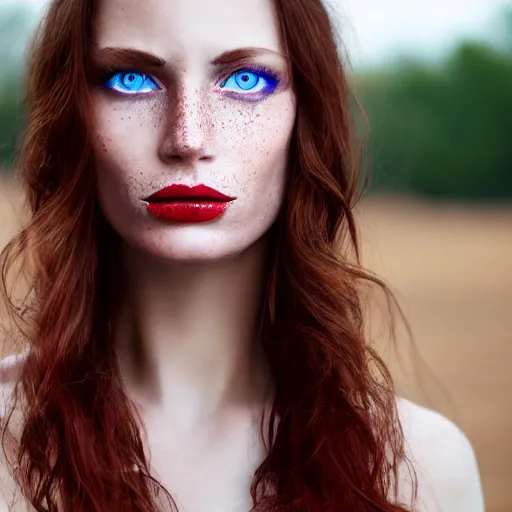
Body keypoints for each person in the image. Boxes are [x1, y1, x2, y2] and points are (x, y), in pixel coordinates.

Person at [0, 0, 484, 510]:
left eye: (247, 81)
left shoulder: (426, 467)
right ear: (72, 118)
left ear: (307, 116)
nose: (188, 139)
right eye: (132, 81)